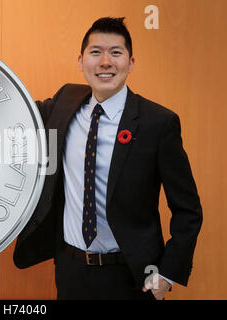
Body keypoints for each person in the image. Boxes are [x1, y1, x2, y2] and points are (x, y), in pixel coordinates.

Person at [13, 17, 202, 300]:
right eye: (95, 52)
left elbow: (188, 210)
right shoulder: (65, 101)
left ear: (131, 62)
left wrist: (167, 275)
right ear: (81, 60)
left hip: (131, 276)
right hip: (70, 269)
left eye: (116, 52)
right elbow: (14, 107)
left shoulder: (158, 124)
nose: (105, 62)